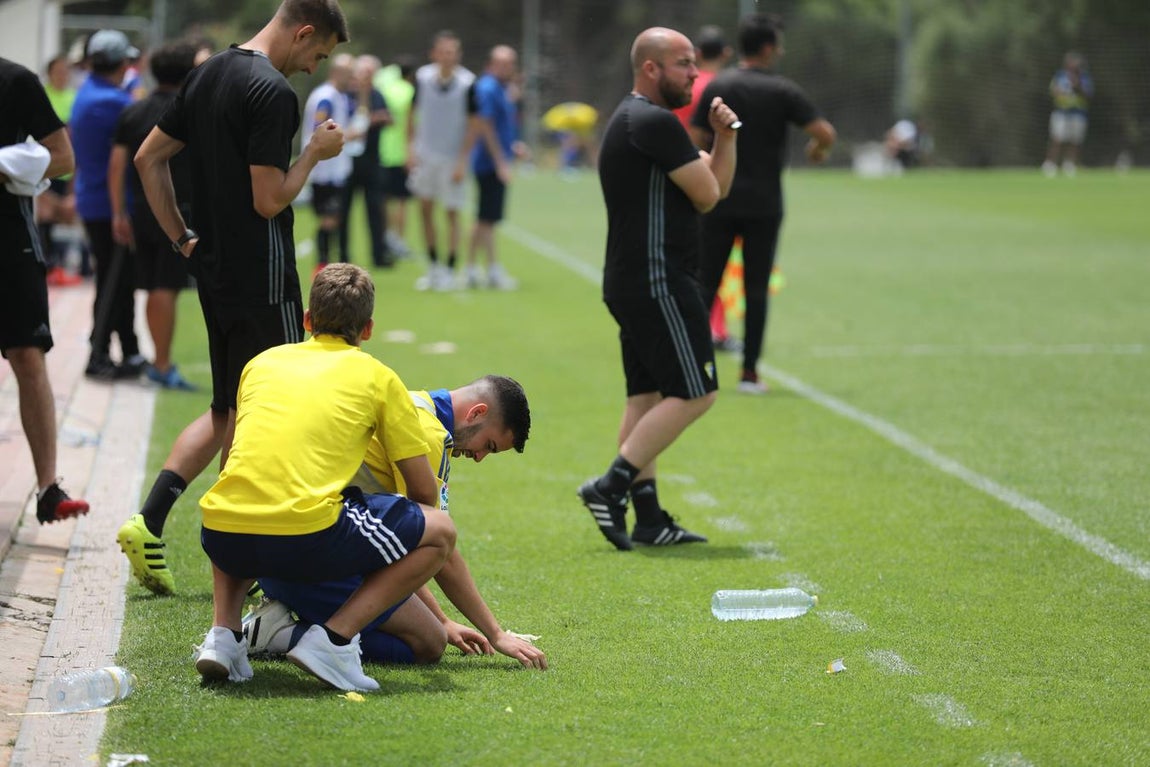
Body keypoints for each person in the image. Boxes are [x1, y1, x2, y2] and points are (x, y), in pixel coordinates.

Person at [120, 0, 349, 597]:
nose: (313, 67)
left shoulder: (208, 72)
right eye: (318, 54)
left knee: (229, 409)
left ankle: (152, 522)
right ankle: (241, 565)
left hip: (215, 269)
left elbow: (148, 158)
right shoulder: (272, 91)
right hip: (263, 279)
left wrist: (182, 239)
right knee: (268, 415)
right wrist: (314, 154)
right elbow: (269, 199)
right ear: (303, 32)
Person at [194, 263, 456, 691]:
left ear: (306, 320)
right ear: (368, 329)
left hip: (221, 535)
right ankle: (333, 640)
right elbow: (424, 494)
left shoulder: (259, 363)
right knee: (440, 530)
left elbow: (229, 465)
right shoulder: (379, 377)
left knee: (238, 494)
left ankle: (224, 634)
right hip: (307, 536)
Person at [244, 375, 546, 670]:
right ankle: (280, 634)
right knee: (428, 643)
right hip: (302, 553)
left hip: (261, 544)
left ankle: (288, 615)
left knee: (430, 627)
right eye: (489, 445)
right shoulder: (428, 434)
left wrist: (441, 619)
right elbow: (438, 548)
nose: (479, 457)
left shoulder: (412, 403)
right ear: (477, 412)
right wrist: (495, 633)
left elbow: (395, 546)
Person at [578, 27, 738, 551]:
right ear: (651, 68)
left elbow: (712, 186)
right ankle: (610, 486)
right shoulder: (654, 121)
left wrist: (725, 138)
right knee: (696, 392)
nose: (694, 73)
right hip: (658, 279)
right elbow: (708, 196)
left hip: (632, 280)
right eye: (683, 63)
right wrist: (719, 145)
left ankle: (648, 518)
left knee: (644, 397)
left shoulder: (634, 119)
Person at [690, 13, 836, 395]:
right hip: (765, 205)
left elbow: (694, 138)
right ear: (769, 48)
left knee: (705, 284)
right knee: (756, 289)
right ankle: (750, 374)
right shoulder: (783, 91)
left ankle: (690, 367)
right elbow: (825, 133)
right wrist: (816, 150)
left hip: (718, 199)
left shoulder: (719, 85)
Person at [0, 56, 90, 524]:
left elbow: (63, 157)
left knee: (28, 356)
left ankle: (48, 488)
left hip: (9, 243)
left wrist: (5, 166)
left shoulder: (14, 81)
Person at [108, 40, 199, 391]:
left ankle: (159, 360)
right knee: (165, 287)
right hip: (174, 212)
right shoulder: (187, 112)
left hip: (139, 211)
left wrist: (119, 212)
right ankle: (161, 364)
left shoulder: (133, 111)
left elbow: (117, 167)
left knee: (152, 287)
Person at [72, 29, 145, 381]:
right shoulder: (115, 102)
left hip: (94, 198)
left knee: (117, 279)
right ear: (121, 63)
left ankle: (128, 350)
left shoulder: (87, 92)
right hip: (110, 204)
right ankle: (98, 353)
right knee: (114, 281)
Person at [673, 25, 736, 353]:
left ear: (697, 53)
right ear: (726, 53)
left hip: (677, 174)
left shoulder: (683, 85)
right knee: (715, 262)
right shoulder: (721, 89)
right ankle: (716, 329)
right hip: (711, 177)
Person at [408, 30, 479, 291]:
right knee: (425, 210)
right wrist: (410, 149)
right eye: (444, 52)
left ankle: (450, 267)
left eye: (453, 52)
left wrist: (462, 160)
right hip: (425, 156)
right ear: (434, 54)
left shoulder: (467, 83)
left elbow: (473, 125)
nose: (448, 56)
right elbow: (411, 114)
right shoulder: (422, 78)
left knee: (452, 213)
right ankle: (433, 267)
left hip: (452, 158)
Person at [464, 45, 525, 291]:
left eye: (510, 63)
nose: (508, 68)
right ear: (491, 64)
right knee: (486, 218)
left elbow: (501, 125)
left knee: (486, 219)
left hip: (495, 159)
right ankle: (487, 269)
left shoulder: (501, 88)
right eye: (503, 63)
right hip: (487, 163)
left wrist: (513, 147)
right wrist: (500, 161)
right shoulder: (488, 88)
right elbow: (485, 125)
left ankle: (478, 269)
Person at [338, 54, 393, 269]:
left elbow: (388, 117)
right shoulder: (347, 96)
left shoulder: (377, 95)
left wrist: (377, 118)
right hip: (349, 162)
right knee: (343, 210)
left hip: (371, 162)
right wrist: (371, 119)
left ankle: (379, 254)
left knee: (375, 210)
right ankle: (342, 254)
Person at [303, 52, 354, 269]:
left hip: (335, 170)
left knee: (333, 219)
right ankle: (321, 265)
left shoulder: (338, 96)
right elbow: (320, 130)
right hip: (326, 171)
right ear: (335, 72)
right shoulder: (326, 97)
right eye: (348, 73)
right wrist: (350, 134)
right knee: (329, 219)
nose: (351, 78)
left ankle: (328, 264)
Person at [38, 54, 84, 286]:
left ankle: (68, 267)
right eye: (58, 71)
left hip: (70, 169)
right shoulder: (41, 96)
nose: (62, 75)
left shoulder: (74, 98)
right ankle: (47, 265)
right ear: (49, 73)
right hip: (45, 168)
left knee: (68, 217)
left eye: (66, 71)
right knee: (45, 216)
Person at [376, 56, 416, 259]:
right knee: (401, 200)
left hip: (382, 151)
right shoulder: (409, 91)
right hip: (400, 153)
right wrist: (411, 153)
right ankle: (398, 240)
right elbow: (410, 125)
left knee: (384, 199)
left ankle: (386, 236)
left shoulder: (385, 89)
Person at [1043, 52, 1093, 177]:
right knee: (1057, 138)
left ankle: (1069, 164)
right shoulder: (1060, 75)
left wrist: (1077, 86)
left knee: (1075, 140)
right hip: (1061, 112)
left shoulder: (1084, 77)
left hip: (1078, 113)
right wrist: (1061, 93)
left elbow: (1088, 95)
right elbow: (1053, 91)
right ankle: (1050, 164)